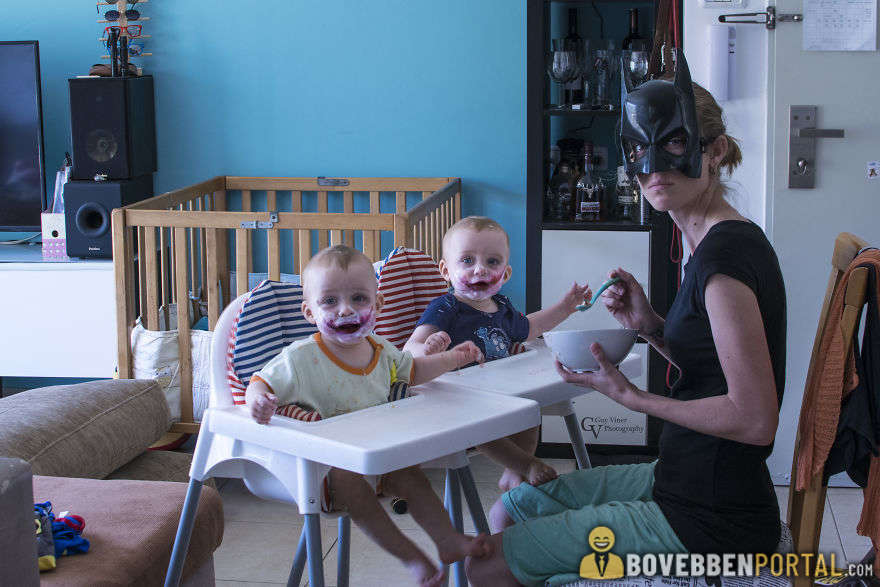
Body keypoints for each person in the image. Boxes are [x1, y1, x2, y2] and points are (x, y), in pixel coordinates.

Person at [465, 49, 787, 587]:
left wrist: (634, 399)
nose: (653, 167)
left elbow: (755, 421)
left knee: (485, 564)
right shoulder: (708, 240)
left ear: (715, 151)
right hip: (682, 477)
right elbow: (714, 366)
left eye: (675, 144)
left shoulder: (725, 261)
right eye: (639, 149)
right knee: (513, 506)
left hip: (711, 518)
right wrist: (650, 328)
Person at [244, 244, 491, 587]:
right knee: (349, 480)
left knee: (410, 474)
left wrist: (452, 359)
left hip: (376, 455)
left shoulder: (381, 350)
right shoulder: (300, 358)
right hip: (323, 467)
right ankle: (410, 557)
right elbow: (260, 381)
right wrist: (259, 400)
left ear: (379, 304)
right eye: (330, 301)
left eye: (359, 299)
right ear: (309, 312)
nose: (345, 310)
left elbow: (414, 371)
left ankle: (447, 540)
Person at [405, 216, 591, 491]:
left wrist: (565, 308)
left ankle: (512, 473)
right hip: (457, 401)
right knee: (478, 424)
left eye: (492, 262)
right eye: (467, 260)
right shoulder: (445, 307)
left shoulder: (502, 307)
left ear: (505, 274)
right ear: (445, 270)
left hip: (499, 392)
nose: (480, 269)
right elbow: (410, 348)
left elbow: (530, 328)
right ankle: (525, 465)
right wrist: (429, 349)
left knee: (530, 412)